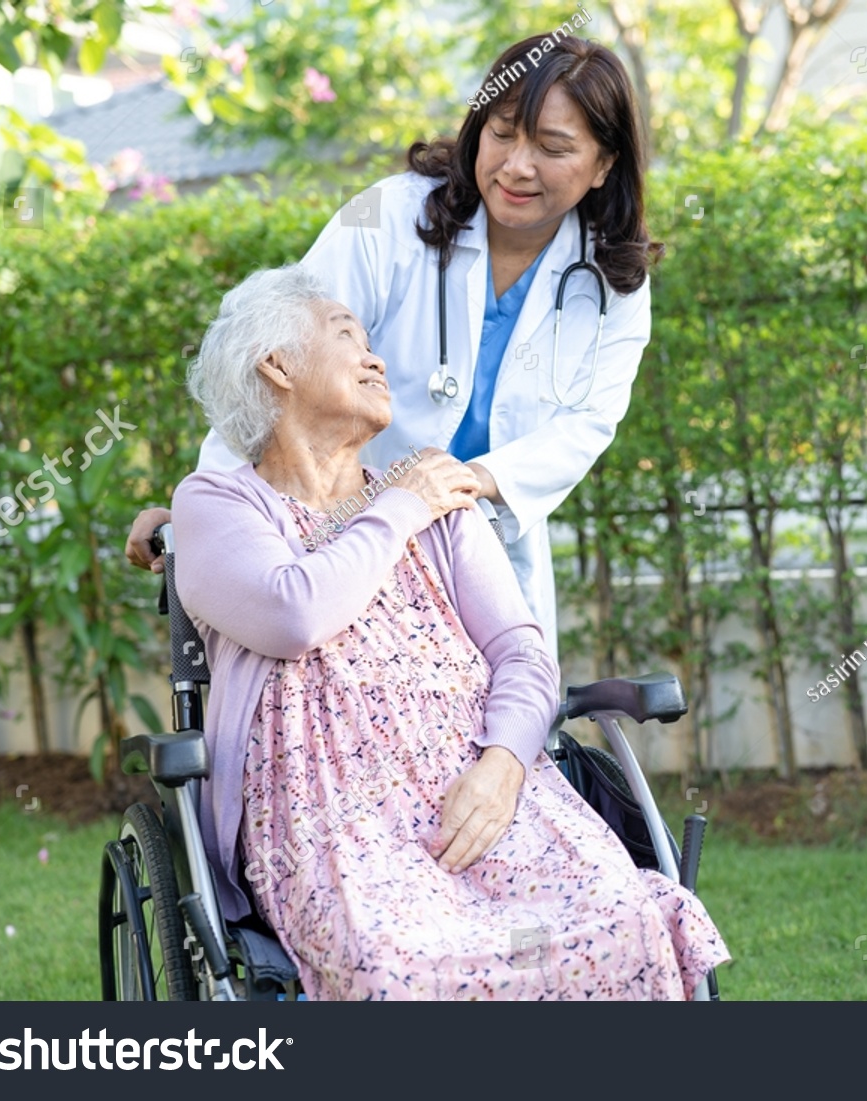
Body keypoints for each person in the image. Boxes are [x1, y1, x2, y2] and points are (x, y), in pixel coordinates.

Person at [173, 264, 727, 1000]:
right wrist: (403, 502)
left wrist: (504, 764)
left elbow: (522, 654)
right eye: (346, 336)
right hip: (335, 824)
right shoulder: (218, 502)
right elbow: (294, 613)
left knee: (625, 919)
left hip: (491, 793)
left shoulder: (440, 501)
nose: (374, 357)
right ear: (277, 365)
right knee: (399, 965)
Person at [129, 31, 660, 663]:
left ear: (604, 164)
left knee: (500, 710)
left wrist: (464, 481)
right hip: (340, 536)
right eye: (502, 132)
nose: (517, 165)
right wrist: (210, 508)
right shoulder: (390, 217)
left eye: (552, 148)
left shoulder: (612, 280)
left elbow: (587, 423)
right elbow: (281, 358)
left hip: (479, 549)